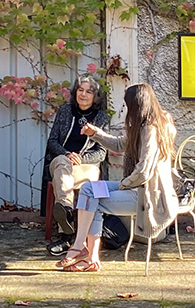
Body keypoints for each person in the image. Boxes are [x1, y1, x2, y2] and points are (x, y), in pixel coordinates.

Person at [54, 82, 179, 273]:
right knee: (88, 189)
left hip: (148, 196)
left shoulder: (151, 130)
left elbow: (144, 171)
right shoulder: (146, 124)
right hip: (137, 188)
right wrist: (95, 133)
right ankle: (82, 248)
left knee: (94, 200)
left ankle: (87, 254)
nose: (127, 109)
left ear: (136, 105)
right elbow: (120, 145)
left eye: (128, 105)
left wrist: (124, 184)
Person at [43, 76, 111, 257]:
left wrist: (81, 158)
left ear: (95, 96)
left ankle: (66, 232)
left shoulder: (102, 118)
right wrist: (67, 154)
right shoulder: (65, 111)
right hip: (61, 161)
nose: (84, 94)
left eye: (89, 91)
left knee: (65, 177)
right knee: (62, 165)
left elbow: (101, 152)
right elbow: (52, 141)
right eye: (80, 90)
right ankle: (67, 220)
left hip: (86, 166)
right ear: (75, 92)